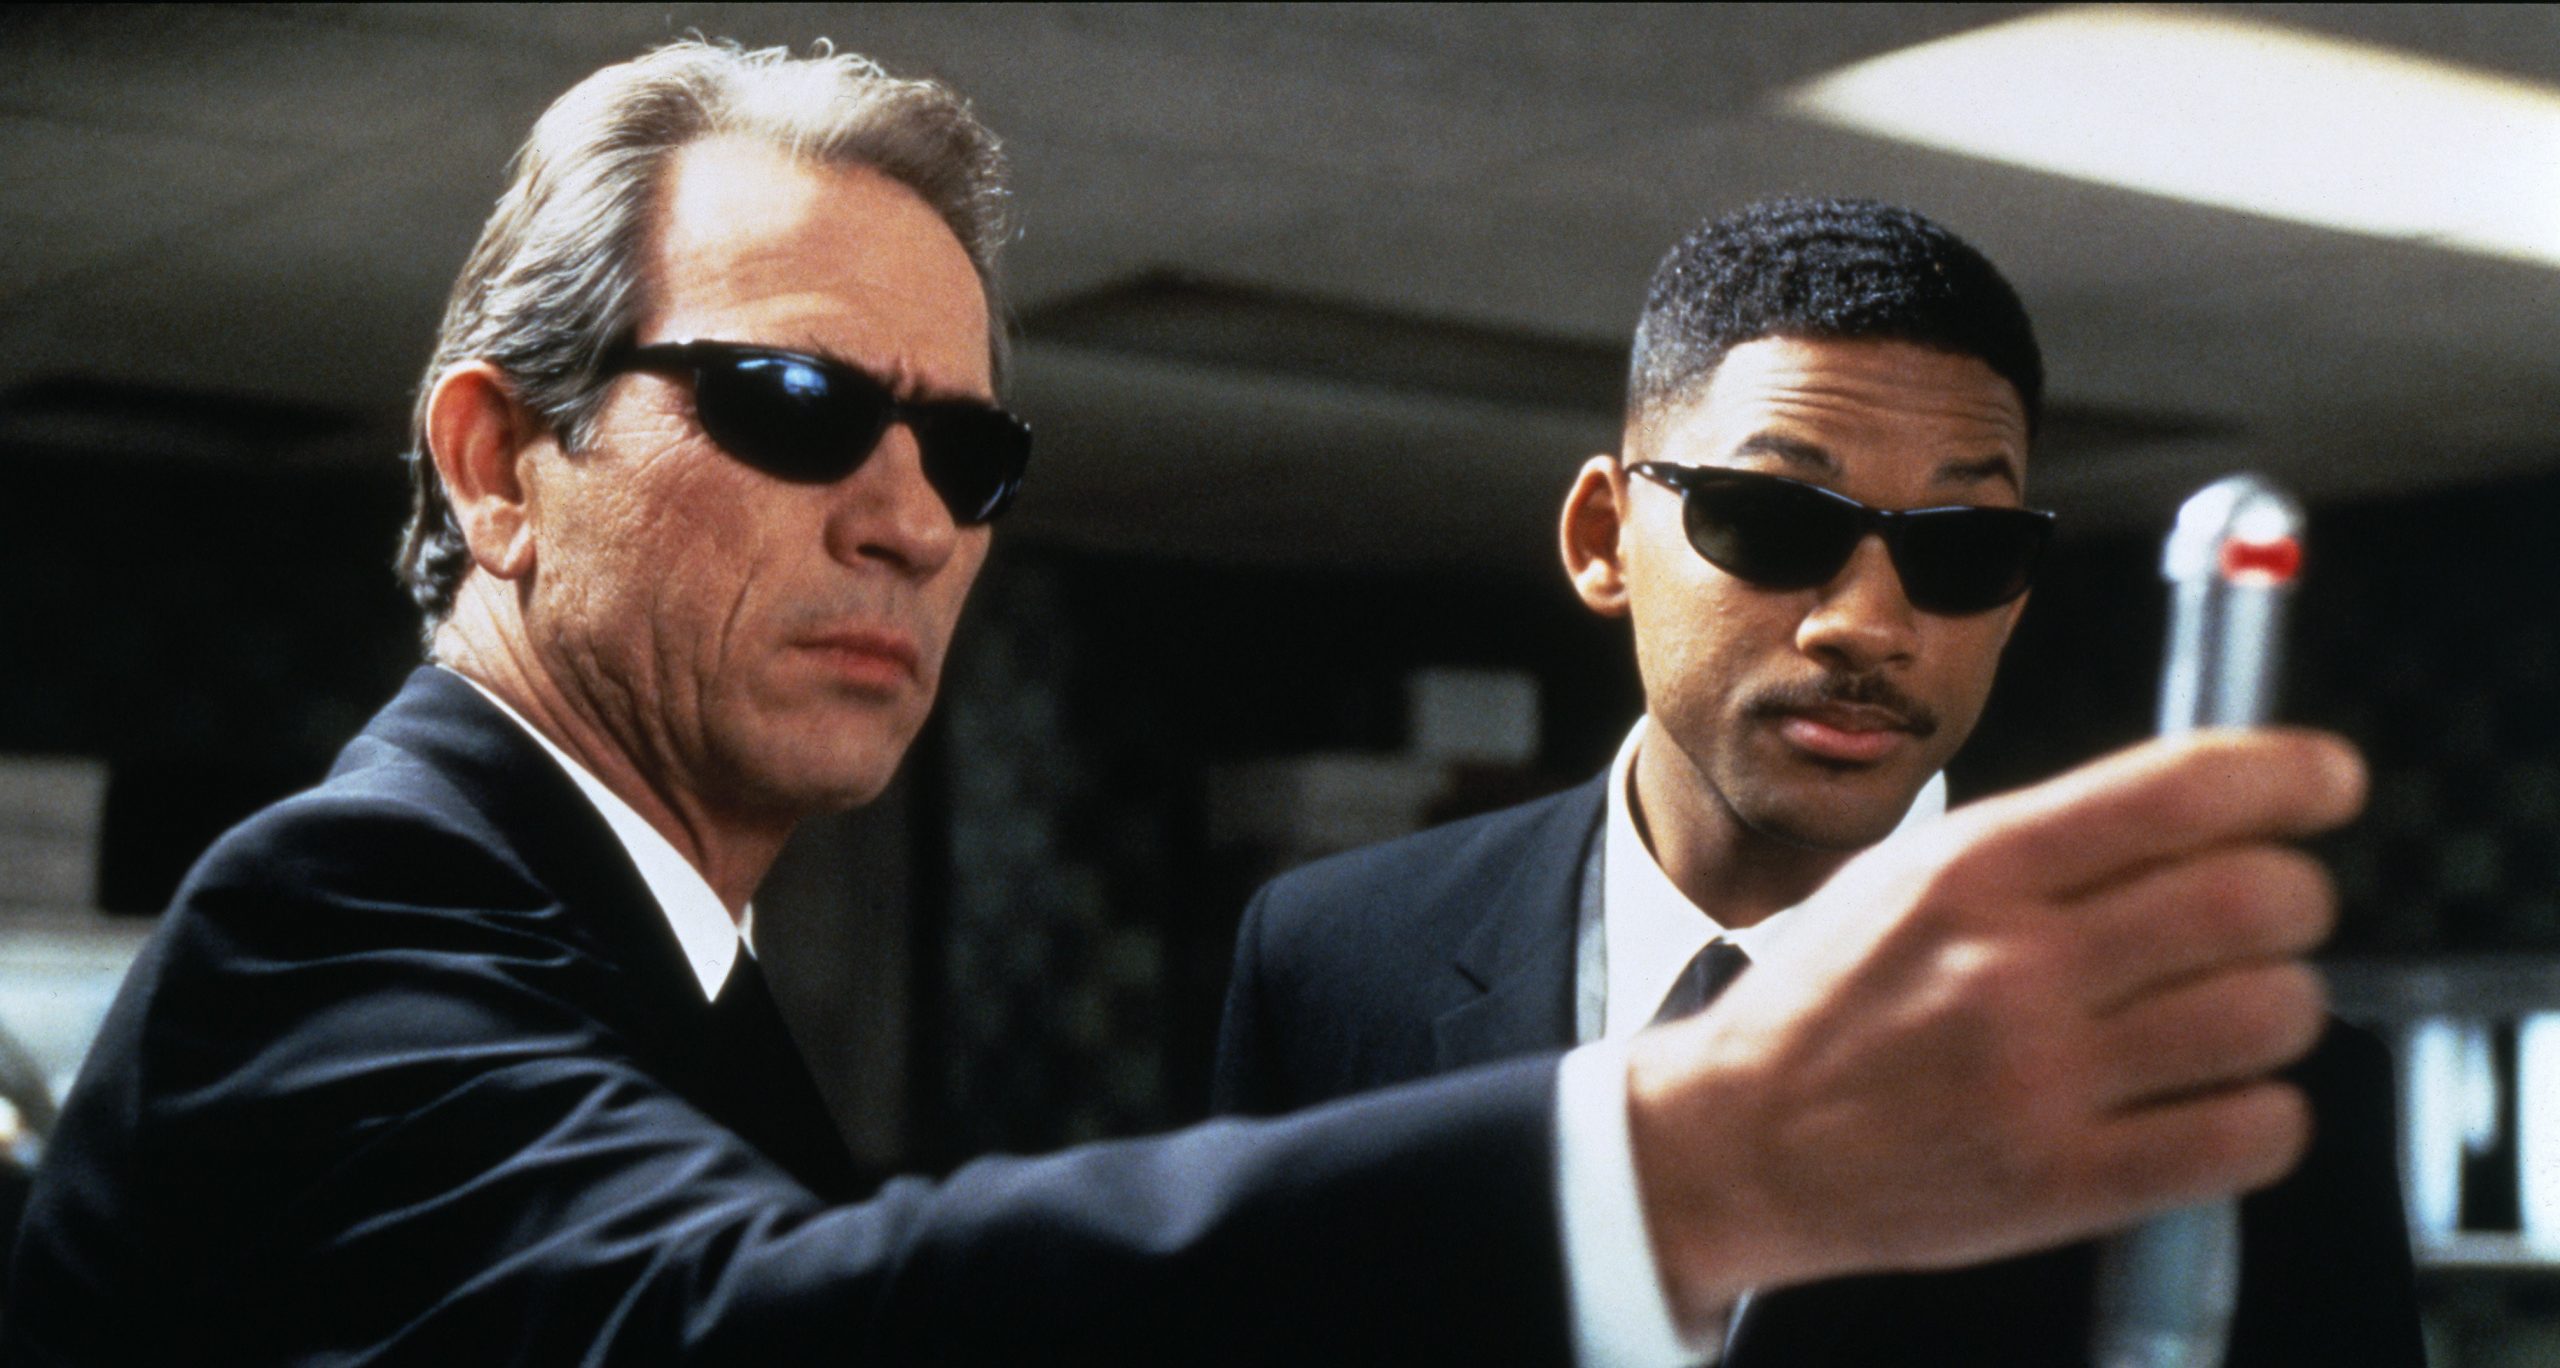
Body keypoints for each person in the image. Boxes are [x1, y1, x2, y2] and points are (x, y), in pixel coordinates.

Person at [4, 40, 2369, 1366]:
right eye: (796, 406)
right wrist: (1700, 1154)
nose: (910, 519)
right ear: (498, 462)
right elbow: (748, 1334)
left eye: (970, 454)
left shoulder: (652, 962)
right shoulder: (350, 901)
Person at [1213, 198, 2424, 1365]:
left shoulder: (2244, 1084)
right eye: (1773, 519)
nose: (1869, 626)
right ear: (1602, 539)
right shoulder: (1334, 961)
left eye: (1963, 548)